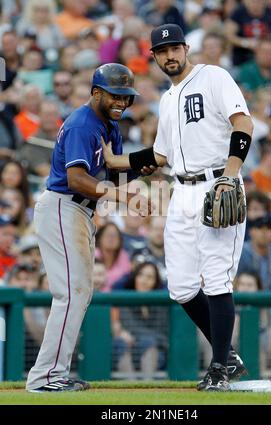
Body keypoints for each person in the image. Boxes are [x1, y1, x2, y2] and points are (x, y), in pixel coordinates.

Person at [101, 23, 254, 391]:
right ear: (153, 57)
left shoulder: (213, 77)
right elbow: (161, 155)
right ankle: (229, 357)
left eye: (175, 48)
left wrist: (230, 176)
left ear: (186, 48)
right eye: (162, 51)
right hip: (181, 191)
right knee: (182, 287)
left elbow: (244, 123)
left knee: (217, 278)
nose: (170, 55)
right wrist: (117, 161)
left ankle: (219, 367)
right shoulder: (167, 99)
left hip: (218, 183)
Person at [25, 63, 152, 393]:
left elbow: (109, 176)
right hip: (63, 206)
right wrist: (124, 195)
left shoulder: (109, 126)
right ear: (96, 92)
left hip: (78, 212)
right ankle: (46, 379)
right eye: (115, 95)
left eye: (126, 97)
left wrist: (142, 165)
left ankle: (54, 374)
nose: (122, 102)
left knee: (77, 294)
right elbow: (77, 179)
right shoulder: (84, 123)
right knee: (71, 293)